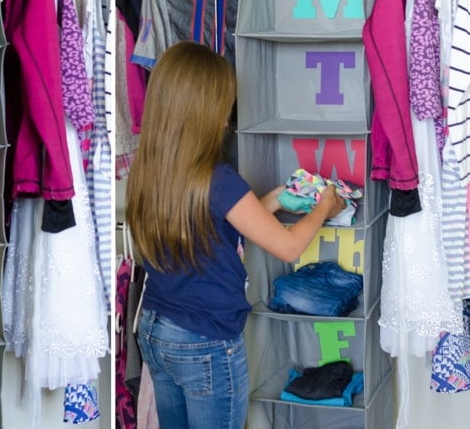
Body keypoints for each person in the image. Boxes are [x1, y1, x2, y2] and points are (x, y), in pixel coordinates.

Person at [125, 41, 345, 429]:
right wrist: (326, 206)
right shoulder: (219, 178)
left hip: (156, 330)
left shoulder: (153, 167)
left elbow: (204, 226)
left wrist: (271, 202)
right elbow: (289, 245)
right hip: (204, 342)